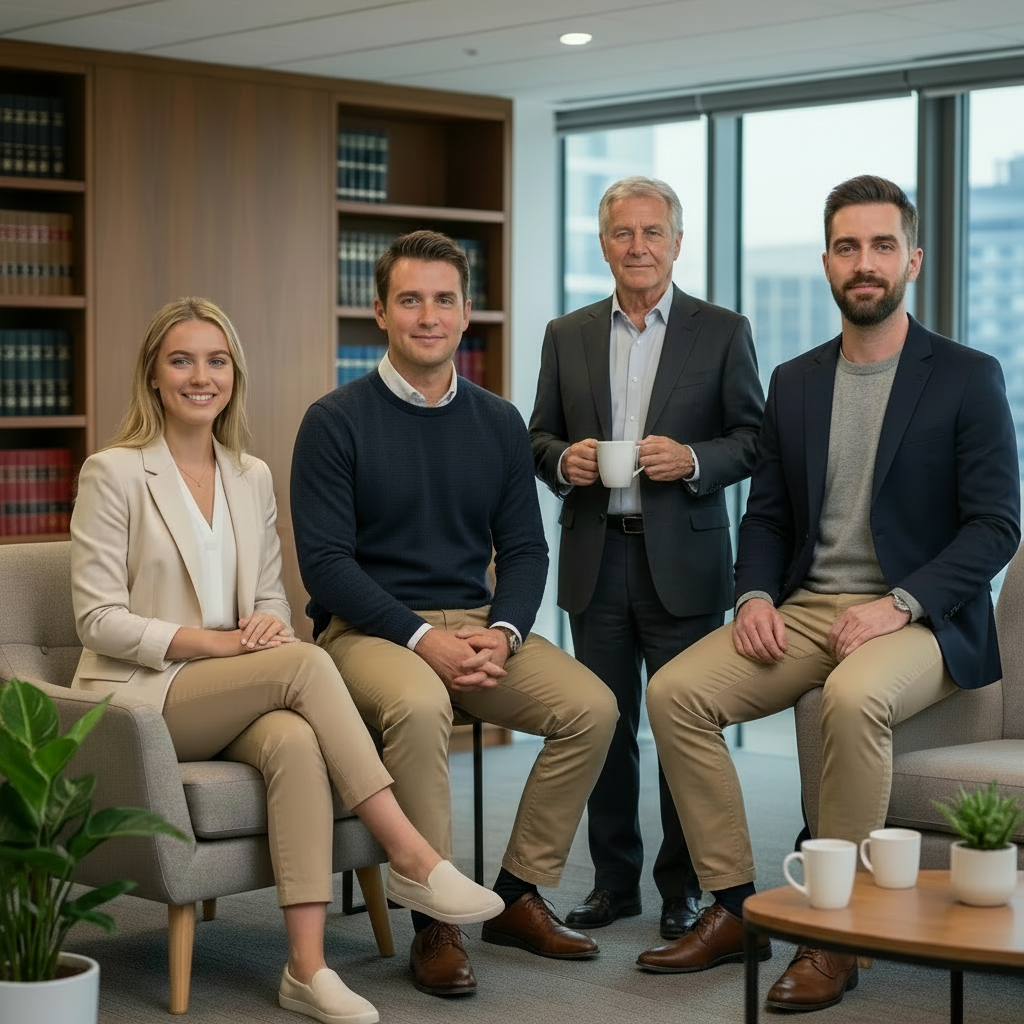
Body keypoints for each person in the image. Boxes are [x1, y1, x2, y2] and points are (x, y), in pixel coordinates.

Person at [636, 175, 1020, 1012]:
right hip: (806, 608)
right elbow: (769, 516)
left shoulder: (966, 375)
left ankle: (834, 937)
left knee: (850, 699)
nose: (866, 262)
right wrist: (754, 598)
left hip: (925, 619)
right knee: (674, 694)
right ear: (827, 263)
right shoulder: (797, 381)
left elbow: (996, 527)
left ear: (912, 259)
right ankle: (737, 905)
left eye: (883, 245)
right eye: (848, 247)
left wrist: (901, 604)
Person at [70, 297, 504, 1024]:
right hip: (142, 700)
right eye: (181, 360)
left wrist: (264, 631)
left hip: (234, 688)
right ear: (152, 375)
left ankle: (305, 968)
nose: (200, 376)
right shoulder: (113, 473)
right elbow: (97, 619)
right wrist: (220, 644)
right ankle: (412, 855)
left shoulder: (251, 474)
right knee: (307, 665)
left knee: (297, 740)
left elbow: (271, 596)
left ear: (234, 376)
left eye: (216, 361)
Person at [290, 230, 618, 999]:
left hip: (475, 620)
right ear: (379, 311)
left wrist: (502, 633)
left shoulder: (498, 422)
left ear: (467, 313)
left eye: (444, 300)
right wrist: (420, 640)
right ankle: (435, 921)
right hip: (369, 629)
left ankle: (519, 892)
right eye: (410, 300)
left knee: (594, 708)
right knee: (415, 700)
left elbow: (527, 551)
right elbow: (328, 567)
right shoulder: (334, 420)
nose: (428, 316)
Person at [529, 176, 764, 938]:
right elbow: (536, 436)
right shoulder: (567, 333)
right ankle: (614, 882)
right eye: (623, 234)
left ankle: (683, 887)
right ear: (604, 245)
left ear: (677, 241)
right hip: (598, 559)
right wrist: (563, 461)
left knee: (680, 732)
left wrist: (692, 459)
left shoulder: (722, 330)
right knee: (602, 725)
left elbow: (754, 439)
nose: (639, 246)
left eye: (653, 232)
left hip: (684, 564)